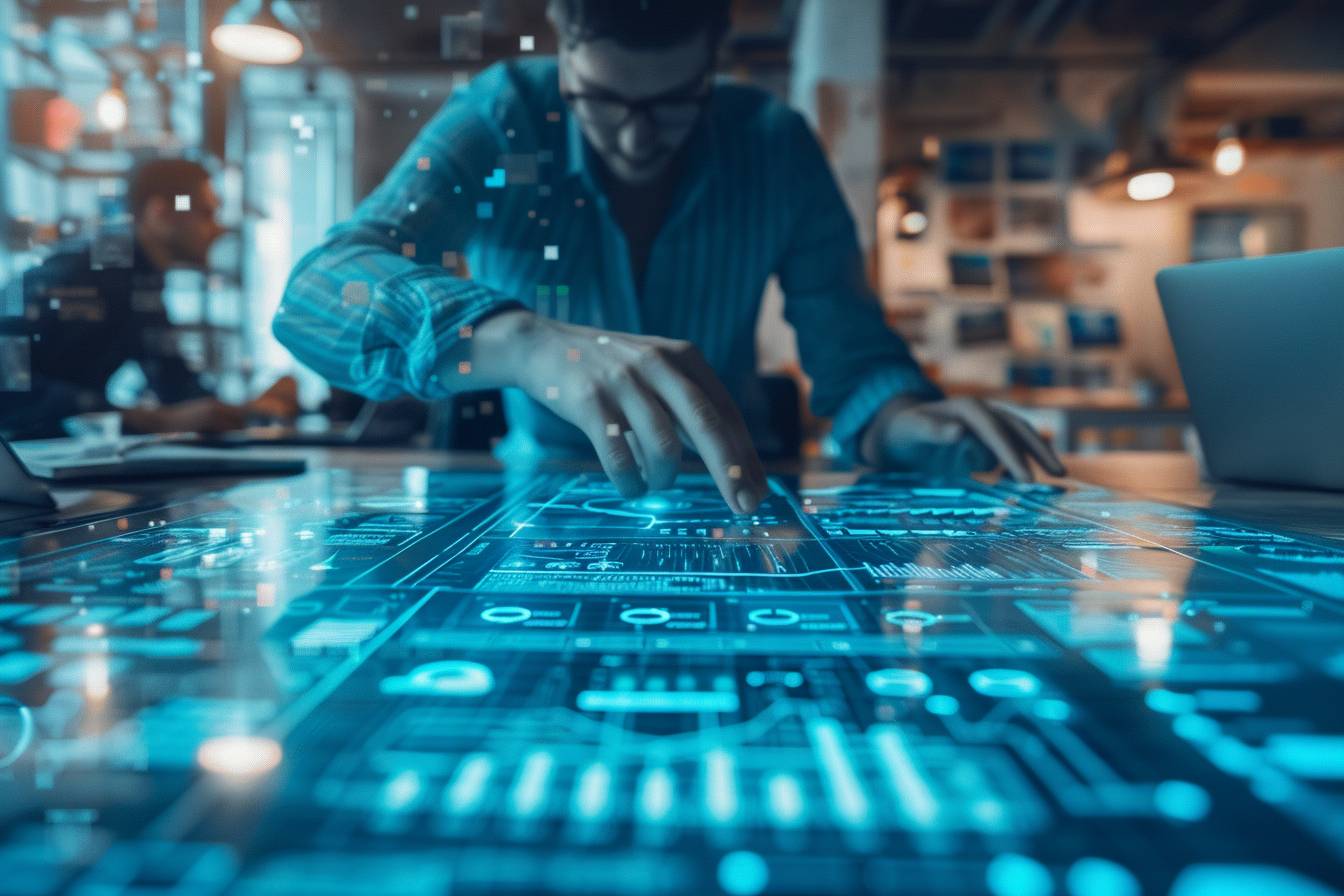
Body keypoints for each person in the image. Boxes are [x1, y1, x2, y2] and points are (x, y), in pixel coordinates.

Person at [274, 0, 1063, 513]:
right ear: (563, 39)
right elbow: (314, 295)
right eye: (603, 102)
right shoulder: (502, 115)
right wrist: (522, 342)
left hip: (733, 495)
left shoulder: (774, 143)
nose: (637, 135)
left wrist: (902, 420)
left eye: (673, 101)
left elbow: (854, 361)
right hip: (545, 491)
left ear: (717, 55)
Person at [0, 159, 298, 439]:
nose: (217, 229)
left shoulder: (141, 284)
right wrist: (150, 419)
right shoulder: (83, 272)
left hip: (57, 463)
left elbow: (176, 387)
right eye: (206, 214)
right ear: (161, 214)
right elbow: (6, 380)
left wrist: (249, 408)